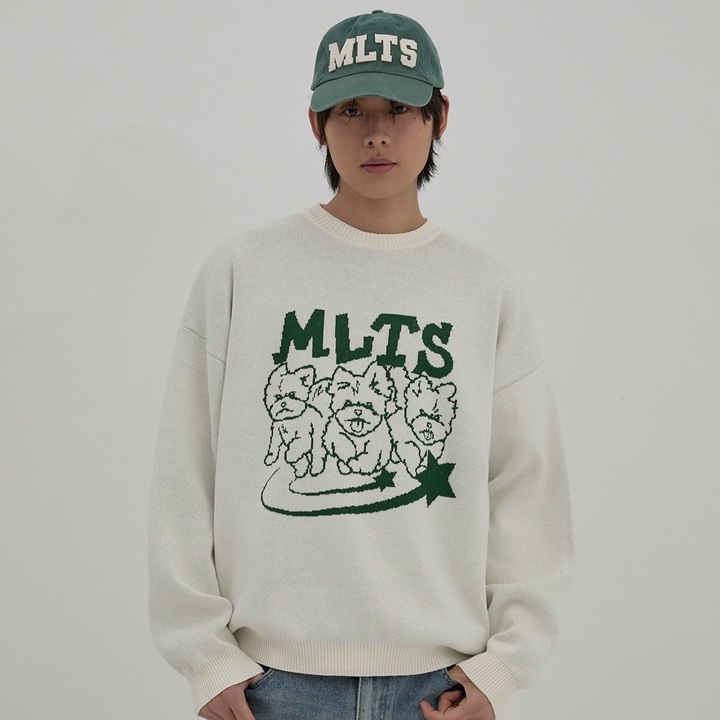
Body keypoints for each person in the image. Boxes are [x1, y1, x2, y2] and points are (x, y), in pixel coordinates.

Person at [148, 10, 574, 720]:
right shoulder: (244, 271)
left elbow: (528, 485)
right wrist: (204, 655)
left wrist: (507, 664)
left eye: (399, 109)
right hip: (272, 685)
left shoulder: (483, 288)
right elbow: (184, 467)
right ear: (316, 123)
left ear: (440, 117)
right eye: (352, 110)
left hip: (438, 687)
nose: (377, 133)